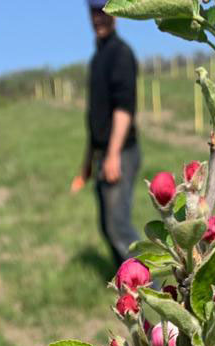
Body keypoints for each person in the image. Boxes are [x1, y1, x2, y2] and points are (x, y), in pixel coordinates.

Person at [71, 0, 141, 268]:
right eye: (93, 11)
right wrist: (87, 163)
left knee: (119, 227)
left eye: (103, 11)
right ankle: (125, 287)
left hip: (120, 151)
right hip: (103, 153)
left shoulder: (121, 54)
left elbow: (124, 109)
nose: (97, 17)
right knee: (107, 226)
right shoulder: (98, 57)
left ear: (115, 13)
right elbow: (95, 119)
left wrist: (113, 155)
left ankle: (152, 290)